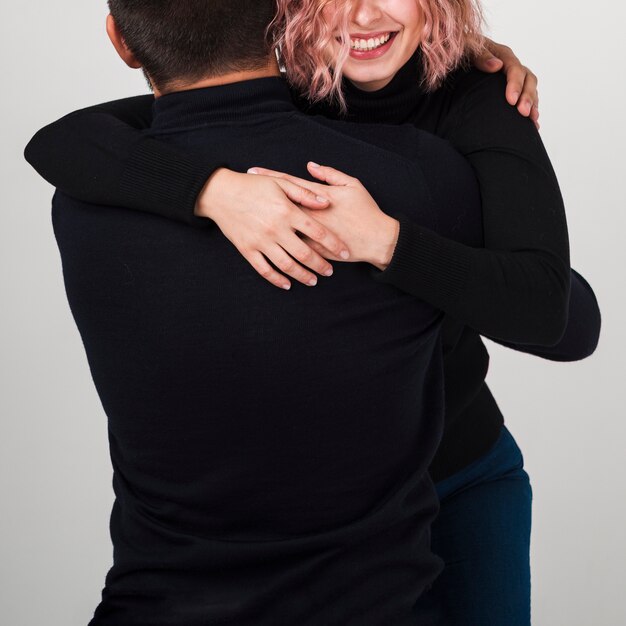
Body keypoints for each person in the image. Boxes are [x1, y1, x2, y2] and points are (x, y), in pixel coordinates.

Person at [23, 1, 601, 624]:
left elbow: (558, 315)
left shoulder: (478, 102)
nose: (362, 13)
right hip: (338, 497)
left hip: (456, 468)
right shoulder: (291, 87)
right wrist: (213, 191)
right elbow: (63, 141)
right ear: (287, 10)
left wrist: (385, 241)